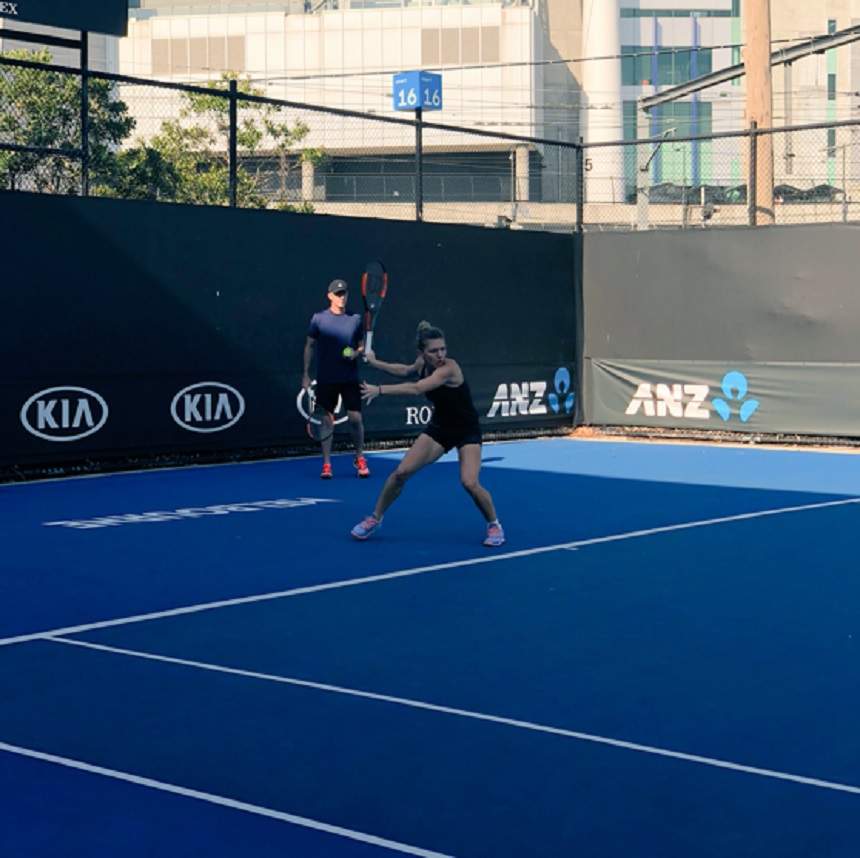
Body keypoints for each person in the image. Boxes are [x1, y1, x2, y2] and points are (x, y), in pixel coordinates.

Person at [350, 321, 504, 547]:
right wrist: (375, 362)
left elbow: (417, 388)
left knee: (469, 482)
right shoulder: (422, 362)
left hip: (466, 430)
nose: (440, 354)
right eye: (434, 351)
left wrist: (379, 390)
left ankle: (494, 524)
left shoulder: (449, 368)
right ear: (422, 353)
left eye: (443, 349)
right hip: (440, 428)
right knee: (400, 473)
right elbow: (405, 371)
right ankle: (375, 518)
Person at [302, 278, 370, 479]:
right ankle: (326, 464)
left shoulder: (355, 319)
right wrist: (305, 374)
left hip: (349, 377)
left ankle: (359, 457)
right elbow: (309, 346)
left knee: (356, 418)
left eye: (345, 293)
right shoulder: (318, 319)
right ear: (330, 296)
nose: (342, 297)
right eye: (338, 294)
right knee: (326, 421)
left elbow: (360, 345)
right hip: (326, 378)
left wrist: (356, 353)